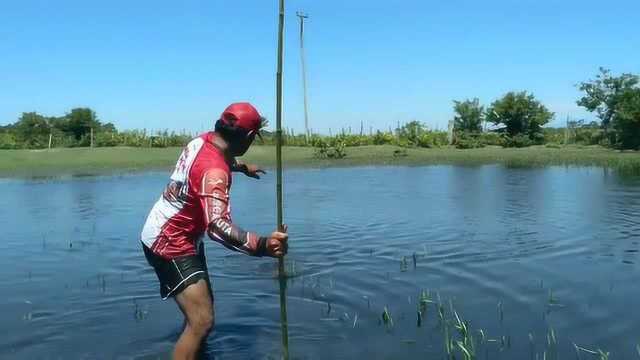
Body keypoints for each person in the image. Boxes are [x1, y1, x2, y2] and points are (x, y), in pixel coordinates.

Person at [140, 102, 288, 360]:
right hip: (169, 241)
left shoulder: (202, 141)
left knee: (202, 313)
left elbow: (216, 158)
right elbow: (218, 228)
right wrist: (263, 245)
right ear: (250, 137)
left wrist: (241, 167)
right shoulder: (214, 171)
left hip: (176, 231)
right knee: (202, 321)